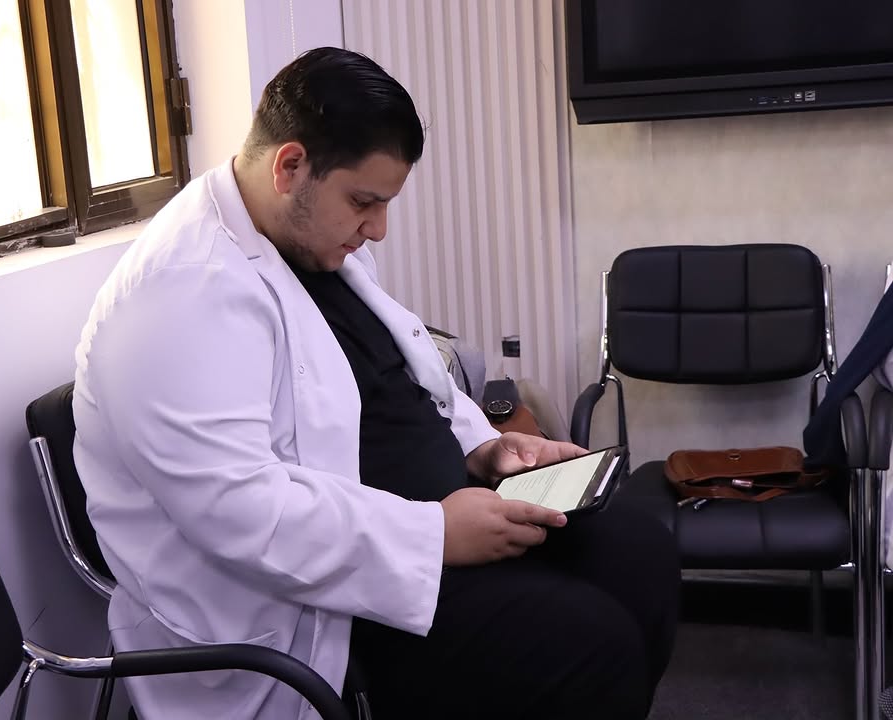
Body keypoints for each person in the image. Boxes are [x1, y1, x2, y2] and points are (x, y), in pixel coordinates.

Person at [73, 46, 679, 720]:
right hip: (318, 599)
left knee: (639, 553)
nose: (379, 230)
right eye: (364, 202)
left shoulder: (310, 240)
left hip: (424, 525)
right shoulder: (182, 292)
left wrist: (485, 448)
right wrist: (433, 534)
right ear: (290, 166)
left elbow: (406, 380)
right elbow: (240, 512)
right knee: (592, 649)